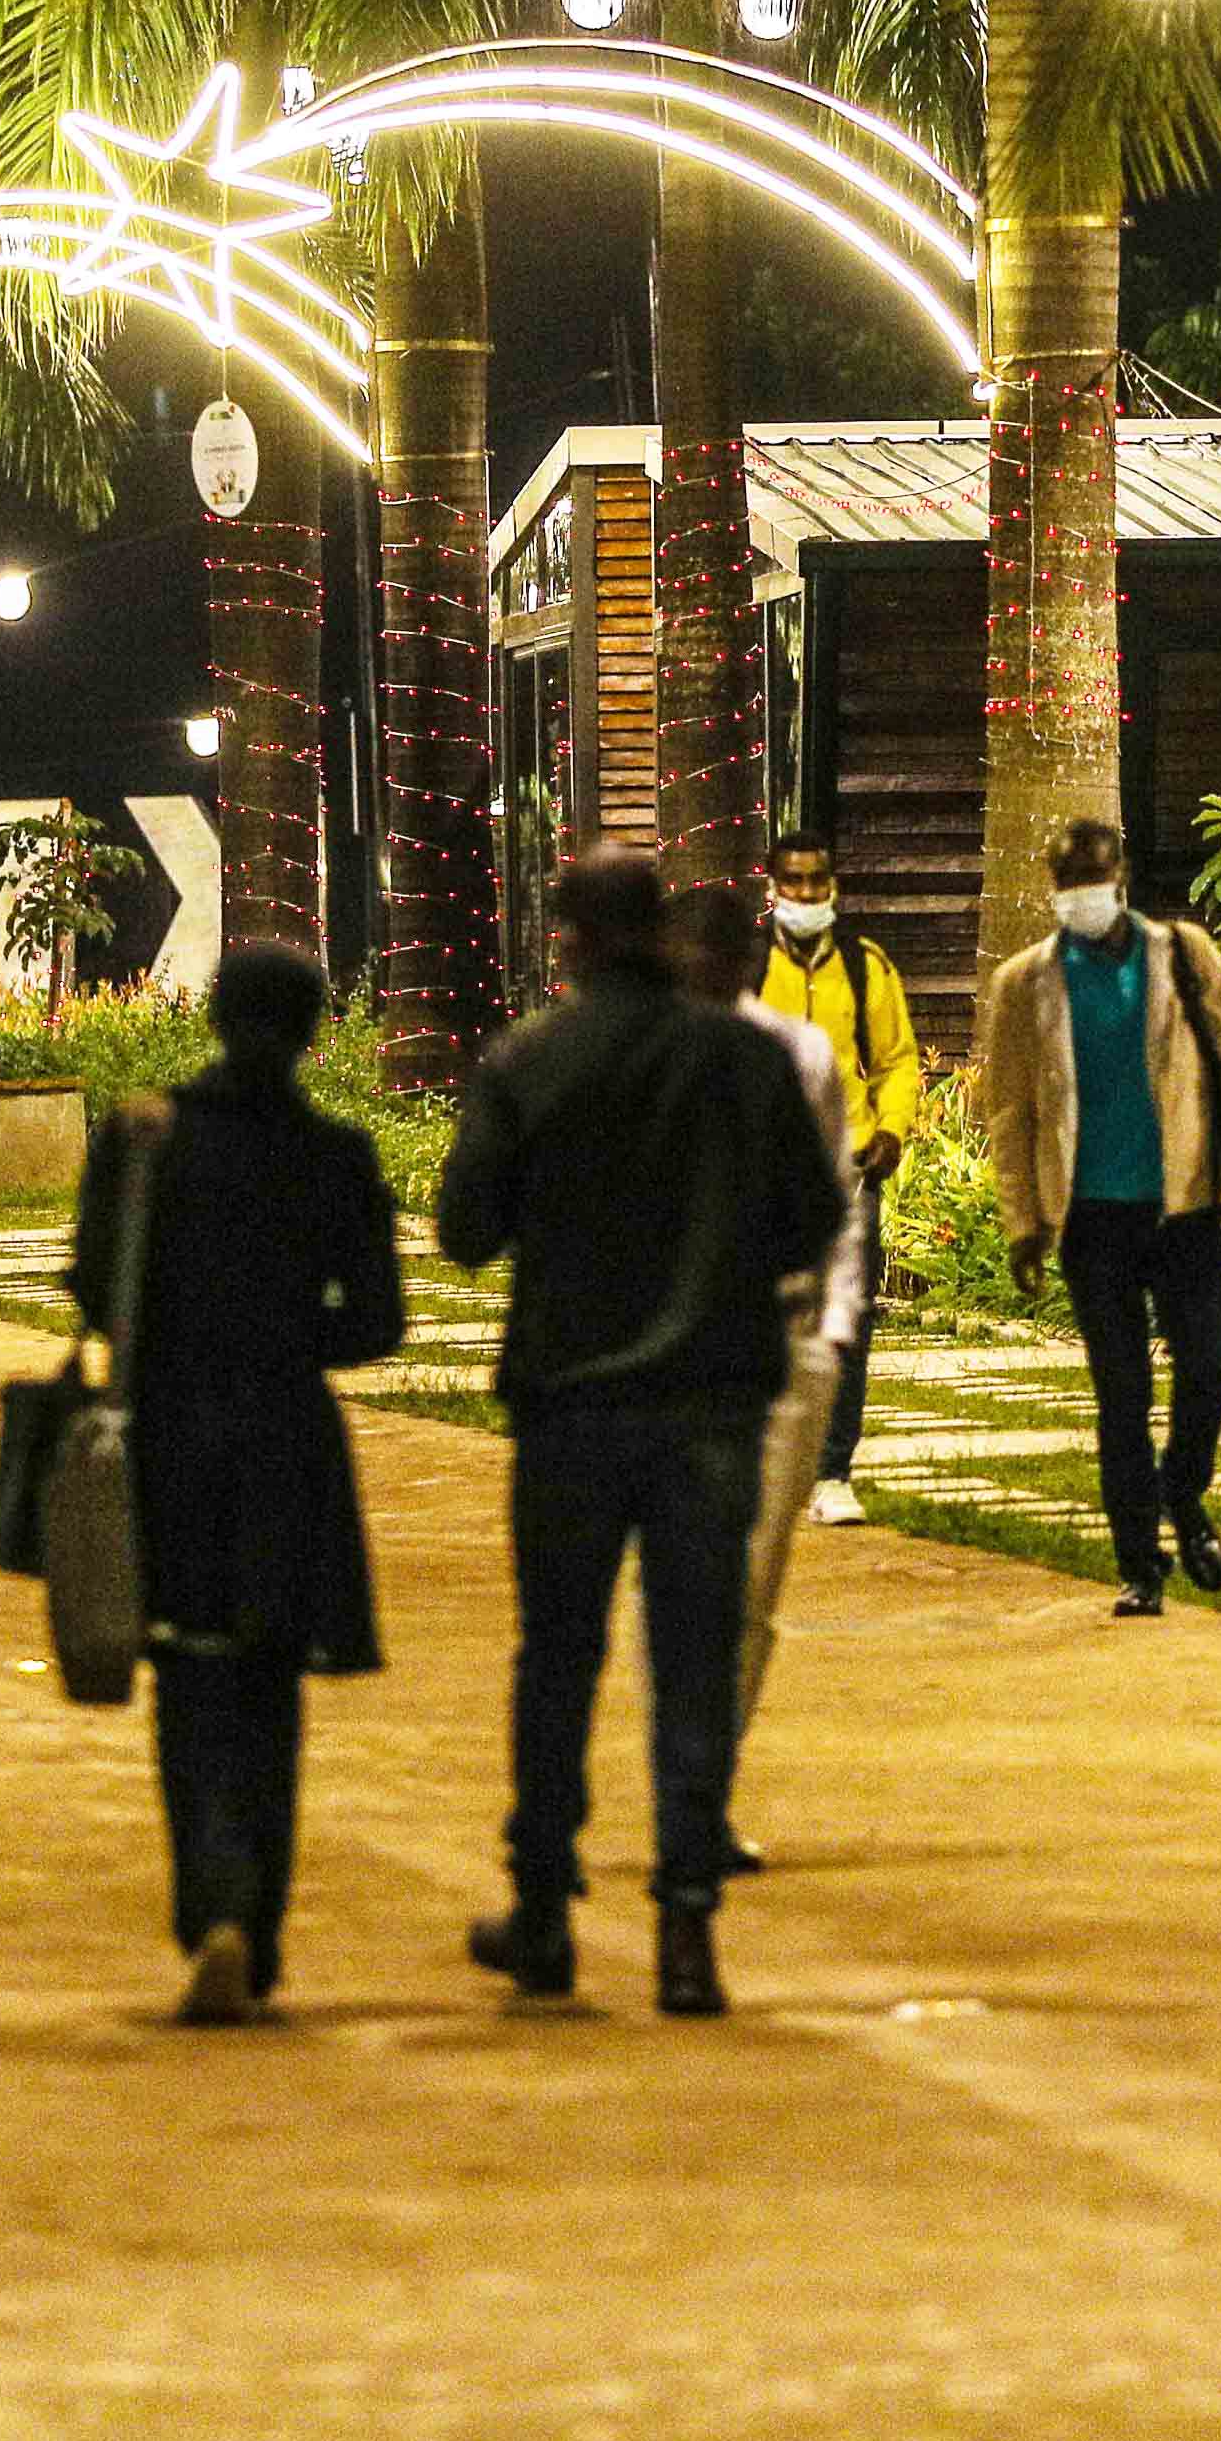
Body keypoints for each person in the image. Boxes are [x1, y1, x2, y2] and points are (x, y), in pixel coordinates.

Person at [431, 851, 848, 2019]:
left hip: (568, 1403)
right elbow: (812, 1219)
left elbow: (466, 1229)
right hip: (712, 1400)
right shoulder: (743, 1058)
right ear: (659, 930)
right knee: (696, 1659)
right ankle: (684, 1927)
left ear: (566, 937)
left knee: (557, 1658)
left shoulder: (529, 1061)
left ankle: (547, 1910)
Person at [101, 941, 409, 2022]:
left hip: (174, 1434)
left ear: (215, 1018)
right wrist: (286, 1333)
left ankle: (211, 1904)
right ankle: (258, 1923)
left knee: (189, 1680)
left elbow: (101, 1293)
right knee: (270, 1684)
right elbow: (378, 1321)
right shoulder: (337, 1155)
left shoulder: (145, 1141)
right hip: (288, 1436)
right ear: (316, 1030)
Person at [976, 817, 1221, 1615]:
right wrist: (1022, 1223)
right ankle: (1138, 1563)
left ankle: (1184, 1497)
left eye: (1097, 876)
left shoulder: (1183, 955)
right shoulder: (1025, 983)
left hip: (1182, 1203)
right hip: (1091, 1216)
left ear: (1123, 874)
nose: (1085, 893)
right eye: (1070, 880)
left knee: (1209, 1373)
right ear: (1055, 887)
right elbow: (1009, 1112)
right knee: (1121, 1392)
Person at [684, 875, 852, 1876]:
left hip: (781, 1346)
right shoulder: (638, 1054)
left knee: (747, 1585)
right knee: (684, 1584)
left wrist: (830, 1329)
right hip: (676, 1358)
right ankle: (689, 1797)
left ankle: (704, 1788)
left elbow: (832, 1195)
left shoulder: (790, 1055)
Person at [754, 834, 921, 1523]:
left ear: (833, 887)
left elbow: (897, 1059)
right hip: (760, 1173)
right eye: (792, 883)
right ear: (772, 889)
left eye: (817, 882)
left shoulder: (864, 966)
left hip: (845, 1172)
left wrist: (891, 1130)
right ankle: (762, 1460)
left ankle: (832, 1472)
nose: (805, 895)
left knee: (845, 1321)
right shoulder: (748, 965)